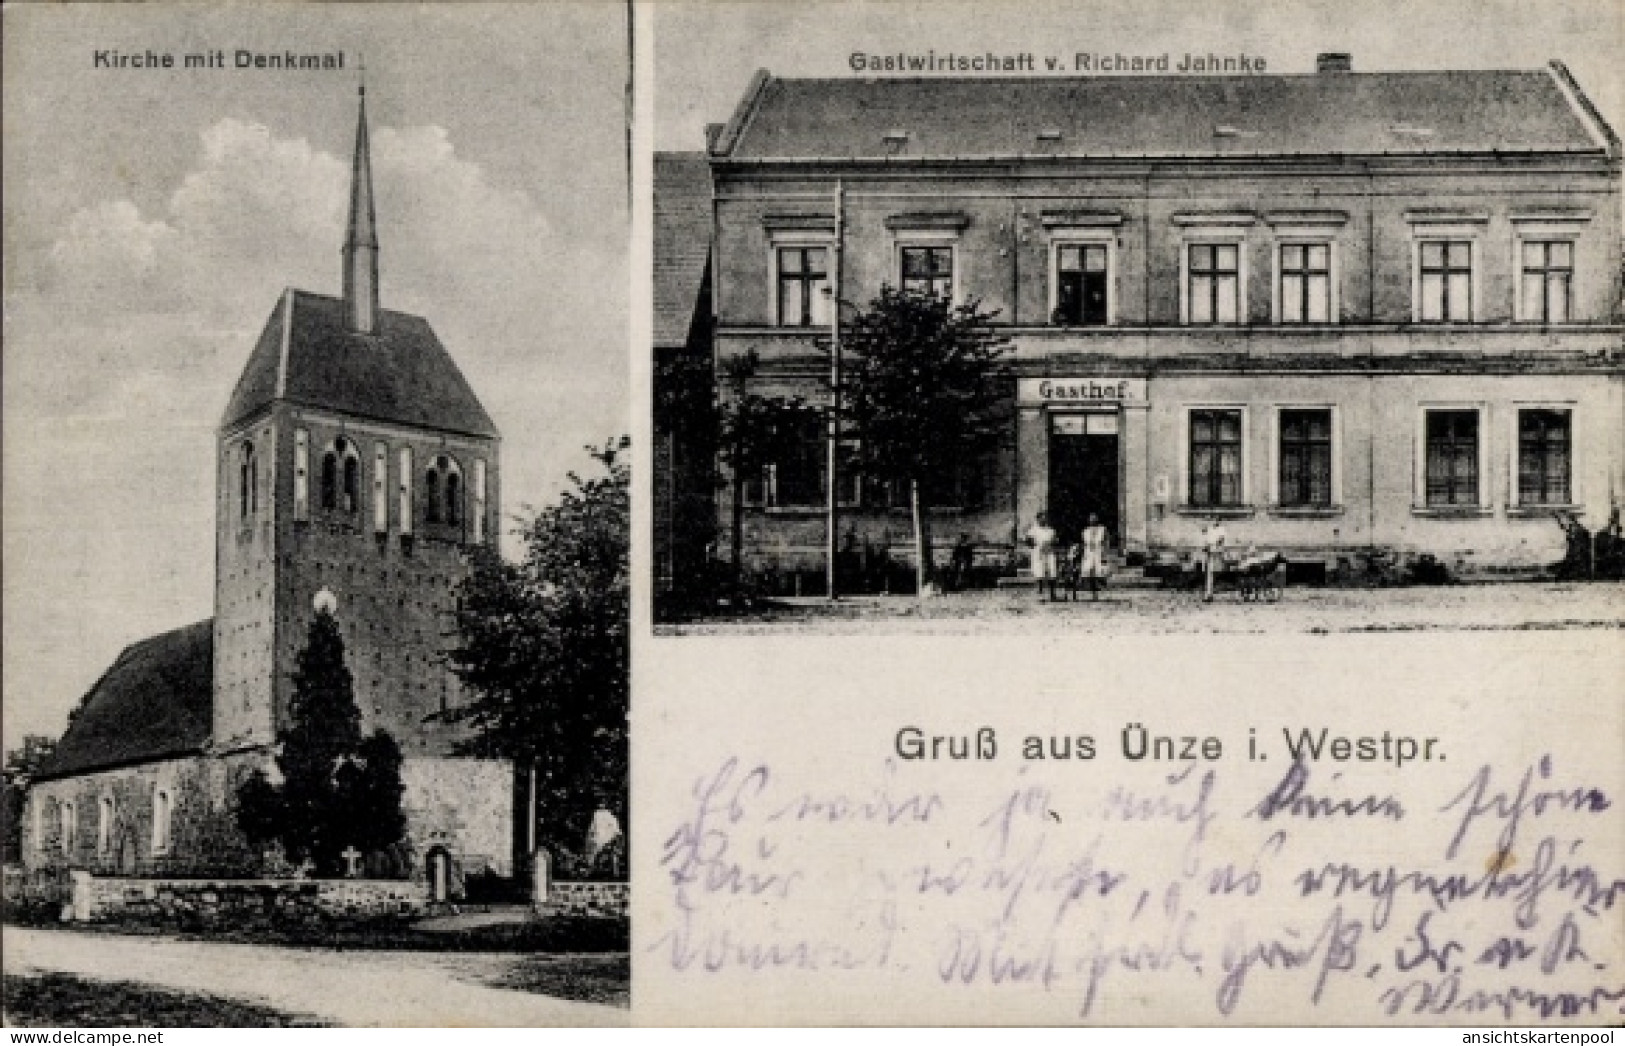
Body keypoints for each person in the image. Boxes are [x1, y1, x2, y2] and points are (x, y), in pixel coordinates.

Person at [1026, 512, 1059, 600]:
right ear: (1038, 519)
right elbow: (1028, 542)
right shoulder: (1033, 530)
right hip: (1038, 553)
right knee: (1040, 573)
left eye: (1045, 518)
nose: (1044, 520)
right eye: (1042, 518)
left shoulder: (1051, 530)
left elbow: (1056, 540)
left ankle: (1052, 594)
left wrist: (1052, 542)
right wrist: (1037, 545)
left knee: (1052, 572)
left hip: (1049, 553)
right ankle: (1040, 594)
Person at [1078, 513, 1109, 601]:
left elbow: (1106, 542)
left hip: (1099, 552)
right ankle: (1092, 592)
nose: (1093, 520)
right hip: (1089, 553)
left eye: (1094, 518)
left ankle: (1098, 592)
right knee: (1088, 571)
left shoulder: (1102, 529)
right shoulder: (1085, 531)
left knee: (1099, 572)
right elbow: (1084, 544)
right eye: (1091, 518)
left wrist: (1105, 553)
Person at [1201, 517, 1228, 602]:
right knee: (1209, 573)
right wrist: (1206, 546)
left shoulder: (1221, 529)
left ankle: (1210, 593)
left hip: (1216, 553)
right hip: (1209, 553)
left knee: (1214, 573)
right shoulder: (1209, 530)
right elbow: (1206, 540)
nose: (1214, 521)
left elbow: (1220, 540)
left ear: (1219, 521)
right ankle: (1209, 594)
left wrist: (1215, 546)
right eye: (1213, 520)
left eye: (1216, 520)